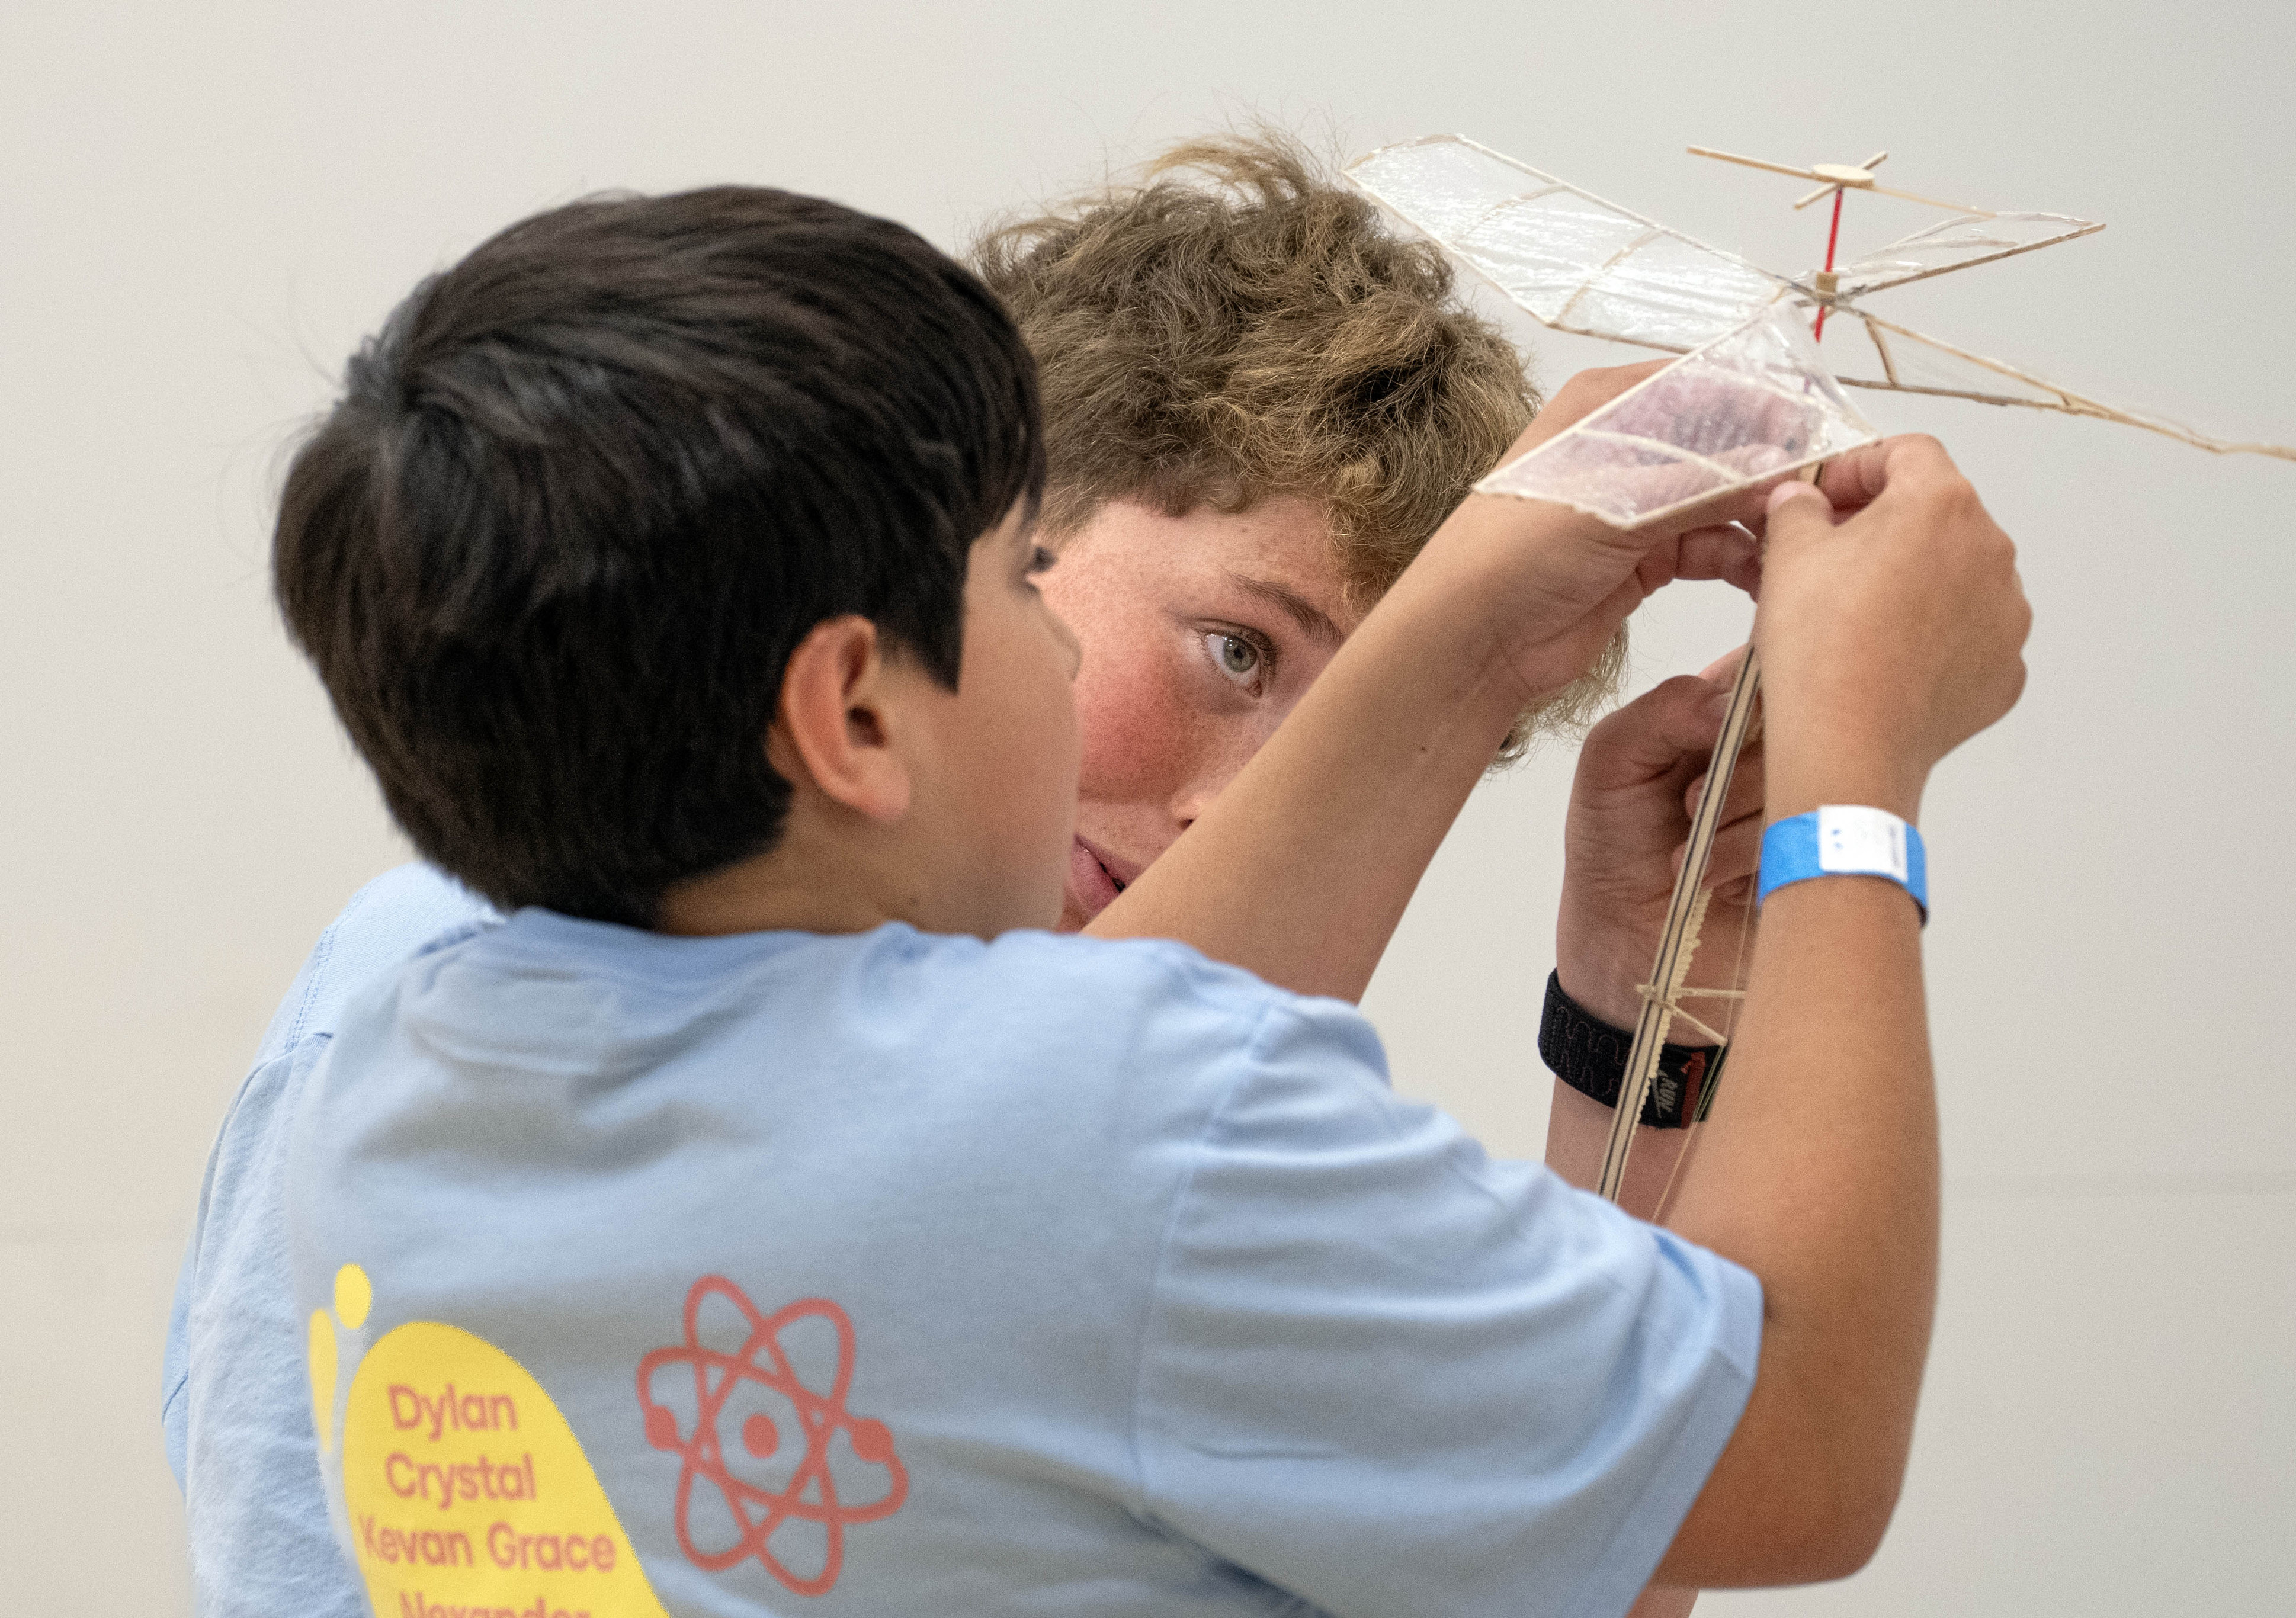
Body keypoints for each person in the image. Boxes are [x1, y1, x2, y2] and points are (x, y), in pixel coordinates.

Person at [261, 175, 2022, 1616]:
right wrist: (1856, 779)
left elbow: (1576, 1529)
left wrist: (1619, 997)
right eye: (1020, 587)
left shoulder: (400, 1048)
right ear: (858, 707)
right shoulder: (1131, 1128)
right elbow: (1790, 1436)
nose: (1229, 801)